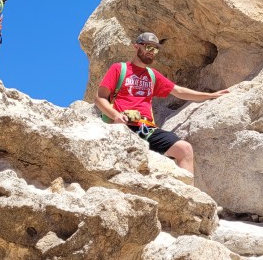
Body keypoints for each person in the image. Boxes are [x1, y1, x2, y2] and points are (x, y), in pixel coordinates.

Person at [94, 32, 229, 173]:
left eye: (155, 49)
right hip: (121, 126)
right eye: (149, 47)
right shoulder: (119, 69)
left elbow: (179, 91)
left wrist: (210, 95)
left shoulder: (152, 75)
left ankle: (187, 194)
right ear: (136, 47)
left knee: (184, 149)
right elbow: (100, 98)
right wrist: (116, 115)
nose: (152, 52)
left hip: (145, 129)